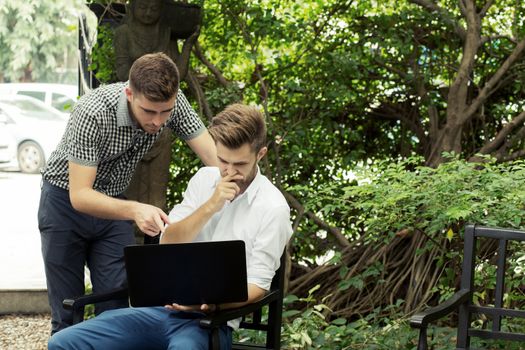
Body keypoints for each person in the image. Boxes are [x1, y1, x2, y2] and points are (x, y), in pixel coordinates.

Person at [47, 103, 293, 349]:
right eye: (222, 160)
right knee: (63, 342)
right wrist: (211, 205)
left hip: (211, 322)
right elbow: (169, 241)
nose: (228, 171)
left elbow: (258, 286)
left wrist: (204, 305)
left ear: (260, 154)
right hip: (157, 311)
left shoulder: (273, 208)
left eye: (239, 164)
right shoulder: (205, 179)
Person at [39, 52, 217, 334]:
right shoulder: (92, 112)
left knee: (117, 310)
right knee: (67, 314)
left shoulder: (174, 103)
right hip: (64, 204)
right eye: (149, 111)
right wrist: (136, 210)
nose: (158, 122)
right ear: (129, 94)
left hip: (113, 206)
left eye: (165, 112)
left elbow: (217, 158)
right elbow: (80, 195)